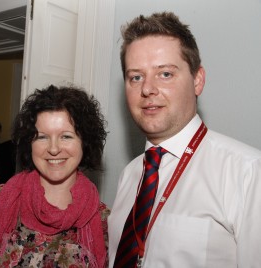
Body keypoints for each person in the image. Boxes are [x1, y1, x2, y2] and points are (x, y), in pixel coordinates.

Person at [108, 11, 261, 267]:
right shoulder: (130, 175)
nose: (147, 89)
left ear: (197, 80)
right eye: (136, 77)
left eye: (165, 74)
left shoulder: (247, 172)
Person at [0, 84, 110, 267]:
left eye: (66, 136)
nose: (53, 148)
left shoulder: (104, 221)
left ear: (85, 142)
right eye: (42, 137)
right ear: (29, 143)